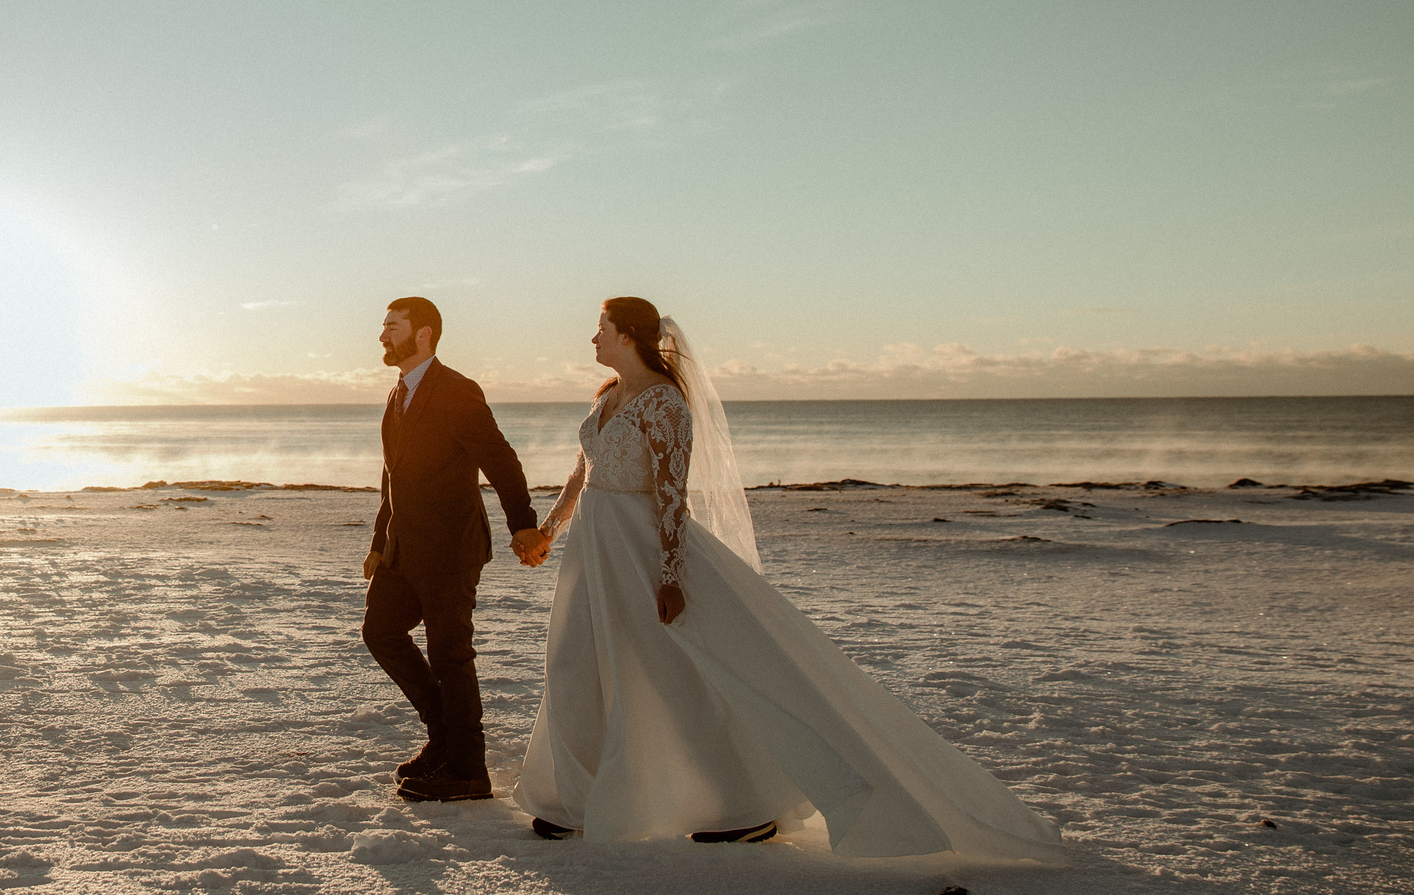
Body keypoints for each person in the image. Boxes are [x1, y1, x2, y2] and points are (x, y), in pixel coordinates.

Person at [513, 297, 1065, 860]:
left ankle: (742, 806)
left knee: (666, 674)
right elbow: (587, 468)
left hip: (641, 552)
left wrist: (673, 575)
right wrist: (550, 530)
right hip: (593, 549)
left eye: (600, 328)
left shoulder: (665, 404)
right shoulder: (607, 396)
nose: (592, 339)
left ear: (628, 335)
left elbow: (673, 497)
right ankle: (573, 802)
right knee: (578, 661)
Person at [364, 296, 546, 803]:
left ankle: (468, 771)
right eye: (383, 326)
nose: (382, 336)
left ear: (423, 334)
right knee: (380, 631)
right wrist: (380, 543)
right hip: (403, 549)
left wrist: (523, 525)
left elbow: (500, 459)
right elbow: (391, 475)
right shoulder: (397, 392)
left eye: (392, 327)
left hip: (449, 548)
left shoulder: (457, 390)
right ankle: (444, 736)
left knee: (450, 656)